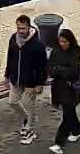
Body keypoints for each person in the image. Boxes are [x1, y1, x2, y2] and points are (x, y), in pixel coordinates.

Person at [3, 14, 48, 144]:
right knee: (12, 102)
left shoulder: (37, 45)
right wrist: (7, 75)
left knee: (29, 106)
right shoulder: (13, 39)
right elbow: (10, 58)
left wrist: (39, 84)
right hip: (15, 79)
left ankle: (29, 131)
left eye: (23, 28)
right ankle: (27, 118)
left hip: (30, 83)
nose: (20, 31)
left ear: (29, 27)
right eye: (18, 28)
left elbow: (42, 66)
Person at [47, 28, 80, 154]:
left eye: (65, 41)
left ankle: (59, 143)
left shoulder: (75, 53)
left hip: (70, 89)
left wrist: (59, 70)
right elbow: (51, 70)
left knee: (67, 115)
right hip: (59, 88)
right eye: (60, 41)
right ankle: (77, 131)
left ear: (70, 41)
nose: (62, 44)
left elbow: (73, 73)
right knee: (70, 112)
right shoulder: (56, 52)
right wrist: (62, 70)